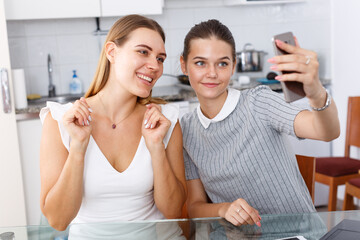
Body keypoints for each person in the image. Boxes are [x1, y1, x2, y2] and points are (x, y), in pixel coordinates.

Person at [179, 19, 340, 227]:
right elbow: (195, 206)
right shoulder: (186, 130)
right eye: (200, 63)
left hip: (298, 232)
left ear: (234, 66)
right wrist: (223, 208)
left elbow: (327, 132)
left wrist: (317, 92)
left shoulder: (259, 102)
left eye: (222, 63)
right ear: (184, 65)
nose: (212, 73)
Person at [39, 14, 187, 231]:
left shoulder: (165, 121)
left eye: (160, 58)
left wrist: (156, 148)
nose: (155, 65)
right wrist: (78, 149)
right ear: (111, 52)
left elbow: (173, 211)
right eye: (143, 52)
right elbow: (58, 220)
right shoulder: (61, 120)